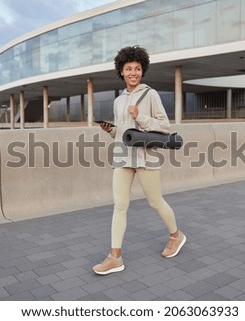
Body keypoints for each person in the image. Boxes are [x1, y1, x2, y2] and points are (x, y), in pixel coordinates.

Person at [93, 46, 186, 275]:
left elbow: (165, 126)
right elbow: (123, 131)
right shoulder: (118, 100)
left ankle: (176, 235)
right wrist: (111, 130)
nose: (133, 72)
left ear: (142, 71)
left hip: (146, 156)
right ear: (121, 72)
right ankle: (115, 257)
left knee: (155, 201)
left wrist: (139, 116)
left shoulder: (151, 94)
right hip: (123, 156)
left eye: (137, 68)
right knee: (119, 205)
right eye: (128, 68)